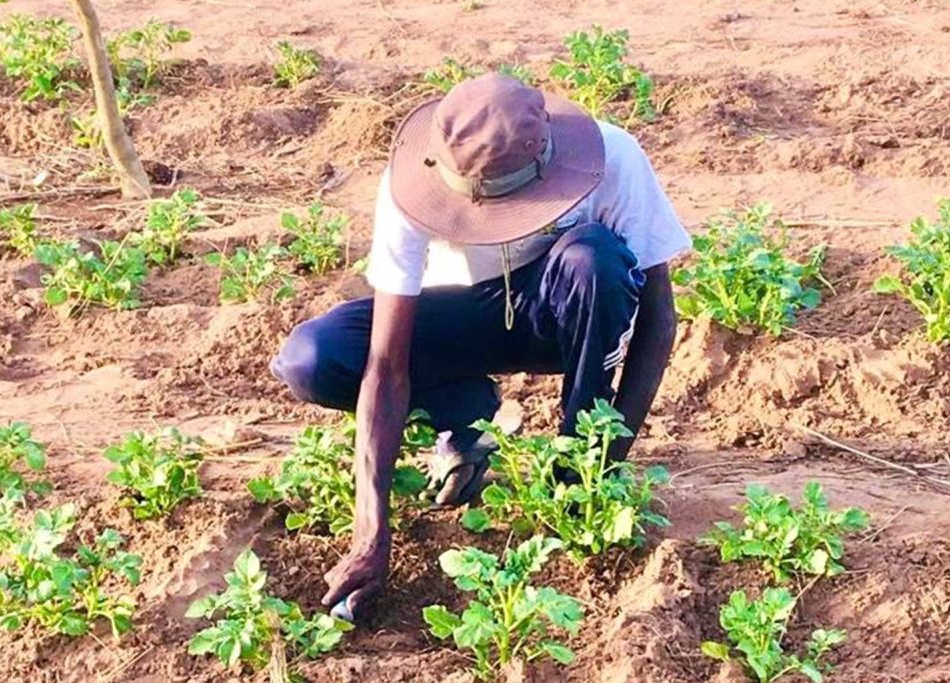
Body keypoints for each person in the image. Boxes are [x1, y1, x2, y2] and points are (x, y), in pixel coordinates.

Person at [270, 73, 691, 620]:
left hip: (559, 317)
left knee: (597, 261)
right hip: (460, 317)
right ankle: (466, 413)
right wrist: (370, 532)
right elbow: (385, 365)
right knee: (313, 359)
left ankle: (573, 469)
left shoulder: (614, 158)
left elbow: (657, 318)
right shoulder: (410, 181)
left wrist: (599, 468)